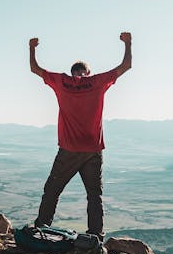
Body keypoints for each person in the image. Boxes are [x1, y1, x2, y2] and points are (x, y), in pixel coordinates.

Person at [29, 32, 132, 240]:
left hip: (69, 149)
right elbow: (126, 65)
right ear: (87, 72)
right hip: (93, 149)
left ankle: (41, 228)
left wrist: (31, 48)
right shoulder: (97, 82)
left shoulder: (61, 82)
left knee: (52, 190)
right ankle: (95, 237)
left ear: (72, 73)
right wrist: (128, 43)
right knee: (94, 195)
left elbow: (35, 69)